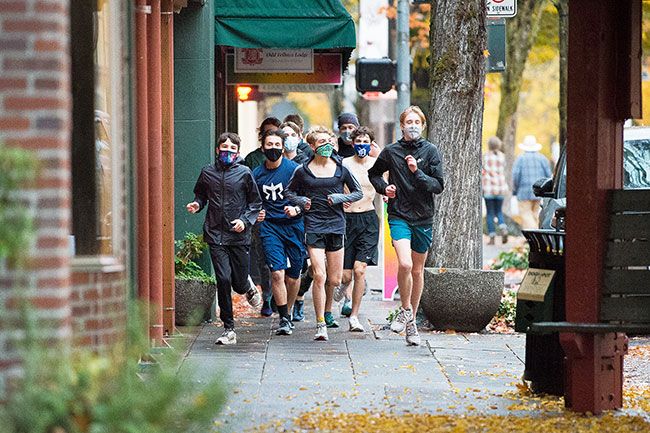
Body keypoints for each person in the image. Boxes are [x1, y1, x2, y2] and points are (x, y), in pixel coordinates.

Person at [368, 106, 444, 346]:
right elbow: (374, 174)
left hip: (424, 216)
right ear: (401, 126)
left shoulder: (431, 151)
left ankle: (410, 322)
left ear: (422, 125)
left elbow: (438, 185)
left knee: (418, 270)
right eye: (408, 122)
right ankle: (405, 308)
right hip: (399, 214)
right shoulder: (391, 152)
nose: (412, 125)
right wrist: (384, 188)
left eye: (416, 122)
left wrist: (417, 171)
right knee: (405, 263)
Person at [286, 126, 363, 341]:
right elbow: (289, 192)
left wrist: (340, 198)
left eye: (329, 141)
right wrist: (302, 201)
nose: (326, 145)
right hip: (314, 226)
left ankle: (328, 311)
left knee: (335, 279)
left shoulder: (341, 169)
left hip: (336, 226)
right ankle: (320, 323)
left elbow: (357, 192)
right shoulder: (303, 170)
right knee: (320, 275)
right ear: (312, 145)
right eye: (321, 142)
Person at [187, 132, 263, 345]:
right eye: (224, 148)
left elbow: (255, 204)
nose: (227, 152)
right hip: (215, 233)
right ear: (217, 150)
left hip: (238, 235)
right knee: (223, 279)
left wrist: (245, 221)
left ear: (238, 152)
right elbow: (201, 195)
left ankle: (246, 285)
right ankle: (229, 328)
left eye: (232, 149)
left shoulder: (244, 173)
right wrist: (197, 204)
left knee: (238, 283)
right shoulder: (207, 172)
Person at [253, 129, 305, 336]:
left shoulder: (295, 170)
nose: (273, 148)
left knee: (293, 277)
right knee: (277, 273)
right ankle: (283, 318)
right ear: (262, 147)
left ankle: (289, 312)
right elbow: (251, 201)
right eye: (269, 145)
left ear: (283, 147)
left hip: (294, 226)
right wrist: (256, 212)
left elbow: (307, 198)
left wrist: (297, 208)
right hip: (270, 228)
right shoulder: (256, 174)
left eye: (277, 145)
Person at [336, 126, 380, 332]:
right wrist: (340, 200)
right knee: (345, 276)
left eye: (366, 141)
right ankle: (343, 288)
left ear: (371, 144)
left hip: (368, 219)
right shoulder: (344, 164)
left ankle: (354, 315)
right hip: (347, 220)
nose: (362, 145)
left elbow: (387, 184)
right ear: (352, 144)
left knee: (359, 270)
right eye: (358, 141)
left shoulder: (376, 165)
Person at [245, 117, 281, 316]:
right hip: (261, 217)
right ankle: (267, 296)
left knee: (281, 262)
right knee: (264, 259)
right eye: (268, 133)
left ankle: (280, 296)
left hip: (283, 218)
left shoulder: (287, 163)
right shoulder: (253, 160)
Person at [512, 135, 552, 229]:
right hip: (539, 191)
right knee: (535, 213)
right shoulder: (542, 159)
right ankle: (537, 234)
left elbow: (515, 176)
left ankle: (534, 233)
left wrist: (516, 189)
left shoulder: (520, 159)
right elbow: (548, 175)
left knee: (526, 214)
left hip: (523, 191)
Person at [482, 136, 509, 244]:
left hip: (489, 188)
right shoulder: (502, 157)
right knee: (499, 211)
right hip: (500, 187)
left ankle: (492, 237)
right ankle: (503, 227)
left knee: (490, 213)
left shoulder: (485, 156)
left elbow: (483, 171)